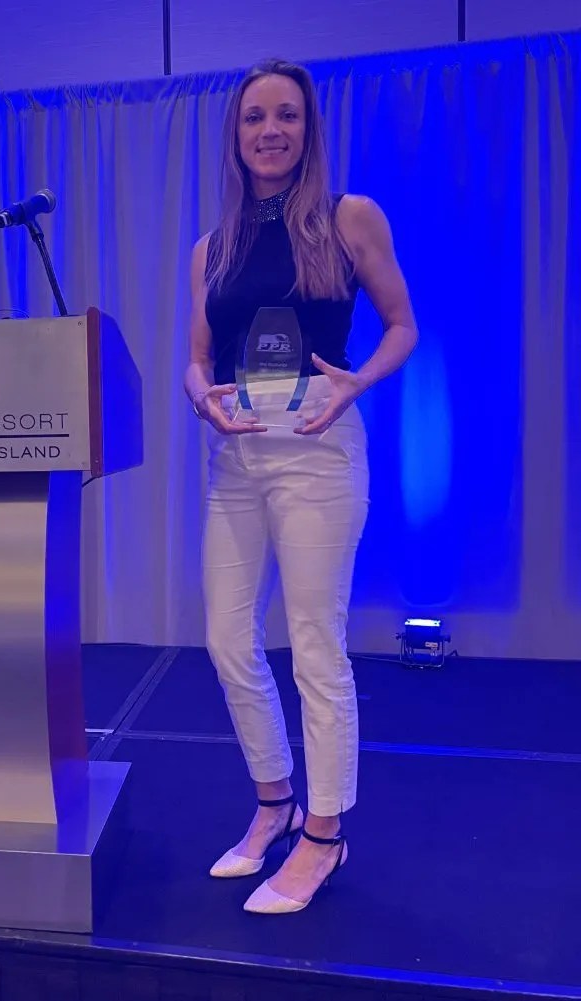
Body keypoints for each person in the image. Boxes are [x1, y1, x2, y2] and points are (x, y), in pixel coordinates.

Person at [184, 59, 417, 914]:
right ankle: (275, 799)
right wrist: (197, 391)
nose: (270, 130)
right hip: (239, 451)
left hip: (319, 442)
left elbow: (402, 324)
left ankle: (324, 833)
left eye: (286, 115)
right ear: (236, 134)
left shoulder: (350, 217)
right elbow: (198, 356)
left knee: (316, 644)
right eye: (255, 117)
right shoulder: (213, 246)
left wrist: (360, 381)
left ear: (308, 127)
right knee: (226, 639)